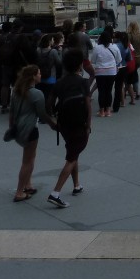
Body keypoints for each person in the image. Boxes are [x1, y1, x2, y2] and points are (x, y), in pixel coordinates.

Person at [47, 49, 93, 207]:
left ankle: (77, 185)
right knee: (72, 157)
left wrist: (53, 119)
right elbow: (88, 105)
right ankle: (55, 192)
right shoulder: (83, 82)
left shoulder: (60, 83)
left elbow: (50, 103)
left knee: (73, 152)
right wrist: (88, 125)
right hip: (79, 123)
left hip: (64, 124)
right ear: (80, 65)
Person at [9, 64, 56, 203]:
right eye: (39, 73)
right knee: (28, 161)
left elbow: (11, 112)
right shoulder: (37, 93)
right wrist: (53, 125)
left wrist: (11, 127)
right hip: (31, 129)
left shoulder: (16, 91)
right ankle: (19, 191)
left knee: (29, 157)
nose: (41, 75)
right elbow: (42, 114)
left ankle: (28, 184)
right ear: (33, 76)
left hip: (19, 127)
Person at [90, 29, 118, 117]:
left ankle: (101, 111)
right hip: (111, 71)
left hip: (100, 72)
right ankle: (108, 111)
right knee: (108, 91)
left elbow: (93, 60)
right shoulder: (114, 47)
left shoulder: (97, 48)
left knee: (101, 91)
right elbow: (119, 59)